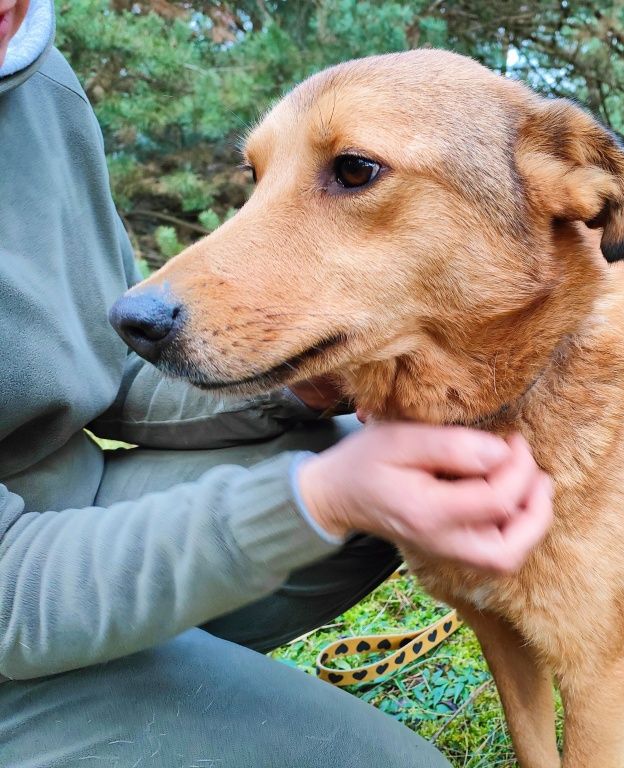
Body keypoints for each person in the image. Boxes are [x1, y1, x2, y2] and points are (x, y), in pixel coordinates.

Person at [0, 2, 554, 766]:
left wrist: (296, 383)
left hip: (57, 501)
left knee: (385, 475)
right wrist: (314, 499)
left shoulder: (30, 74)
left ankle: (142, 674)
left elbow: (103, 362)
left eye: (352, 171)